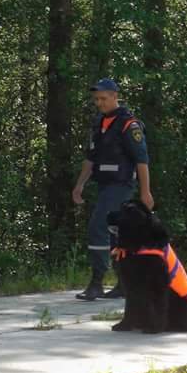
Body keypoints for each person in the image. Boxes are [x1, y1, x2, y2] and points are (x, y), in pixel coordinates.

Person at [72, 78, 154, 301]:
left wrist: (145, 192)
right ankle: (125, 283)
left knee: (98, 226)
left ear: (115, 96)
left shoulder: (128, 124)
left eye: (103, 99)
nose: (99, 103)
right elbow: (90, 159)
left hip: (122, 185)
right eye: (96, 99)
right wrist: (80, 184)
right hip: (104, 185)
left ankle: (96, 282)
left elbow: (142, 160)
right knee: (115, 234)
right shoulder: (99, 124)